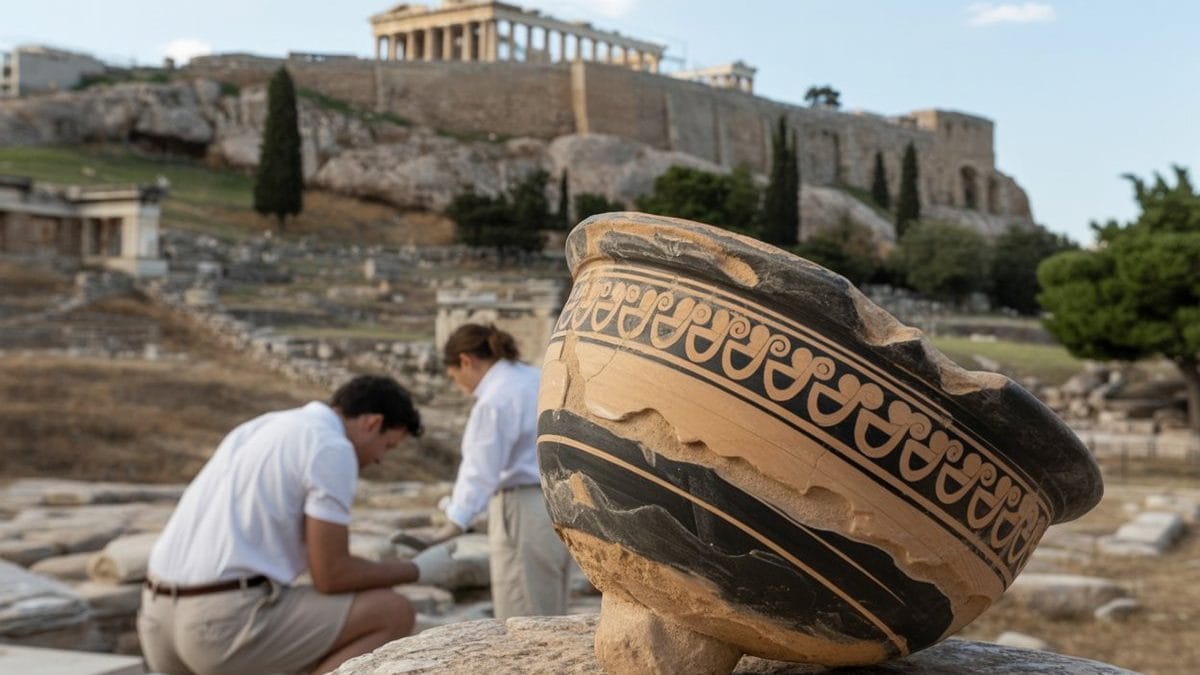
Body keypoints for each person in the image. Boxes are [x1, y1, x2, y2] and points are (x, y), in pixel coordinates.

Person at [138, 374, 456, 675]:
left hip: (156, 619)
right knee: (392, 612)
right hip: (217, 628)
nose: (380, 460)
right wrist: (417, 570)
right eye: (388, 446)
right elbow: (331, 575)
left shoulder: (261, 426)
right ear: (372, 423)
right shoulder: (332, 447)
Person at [427, 323, 572, 619]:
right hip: (561, 500)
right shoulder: (537, 377)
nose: (460, 387)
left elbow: (480, 468)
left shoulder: (495, 398)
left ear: (466, 361)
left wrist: (457, 519)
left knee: (522, 613)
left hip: (522, 507)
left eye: (455, 377)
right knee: (552, 608)